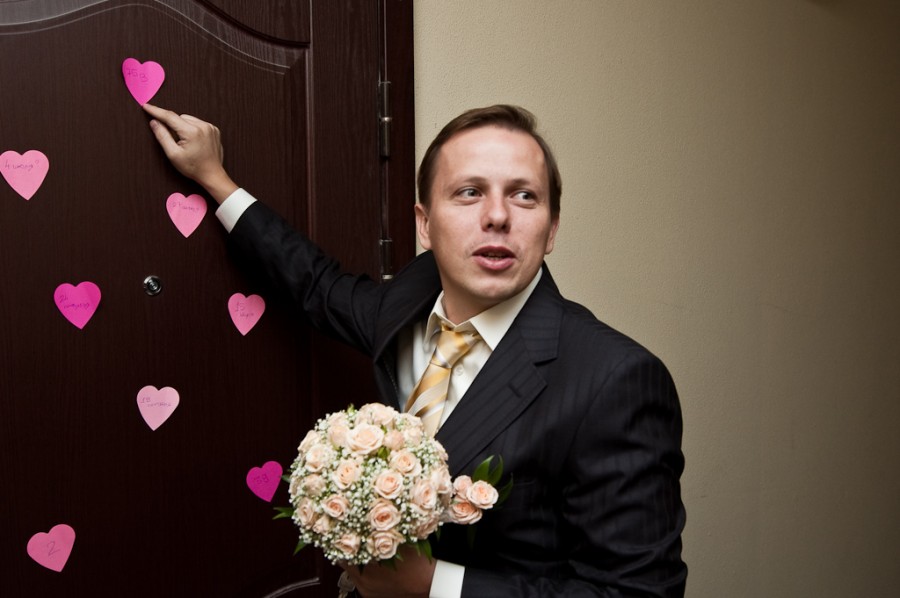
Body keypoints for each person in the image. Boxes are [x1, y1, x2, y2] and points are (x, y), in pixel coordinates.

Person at [142, 102, 687, 597]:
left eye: (524, 195)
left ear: (550, 231)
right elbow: (316, 284)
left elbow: (639, 595)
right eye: (469, 192)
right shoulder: (405, 302)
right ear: (425, 225)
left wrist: (434, 586)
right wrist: (214, 179)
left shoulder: (615, 379)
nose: (498, 216)